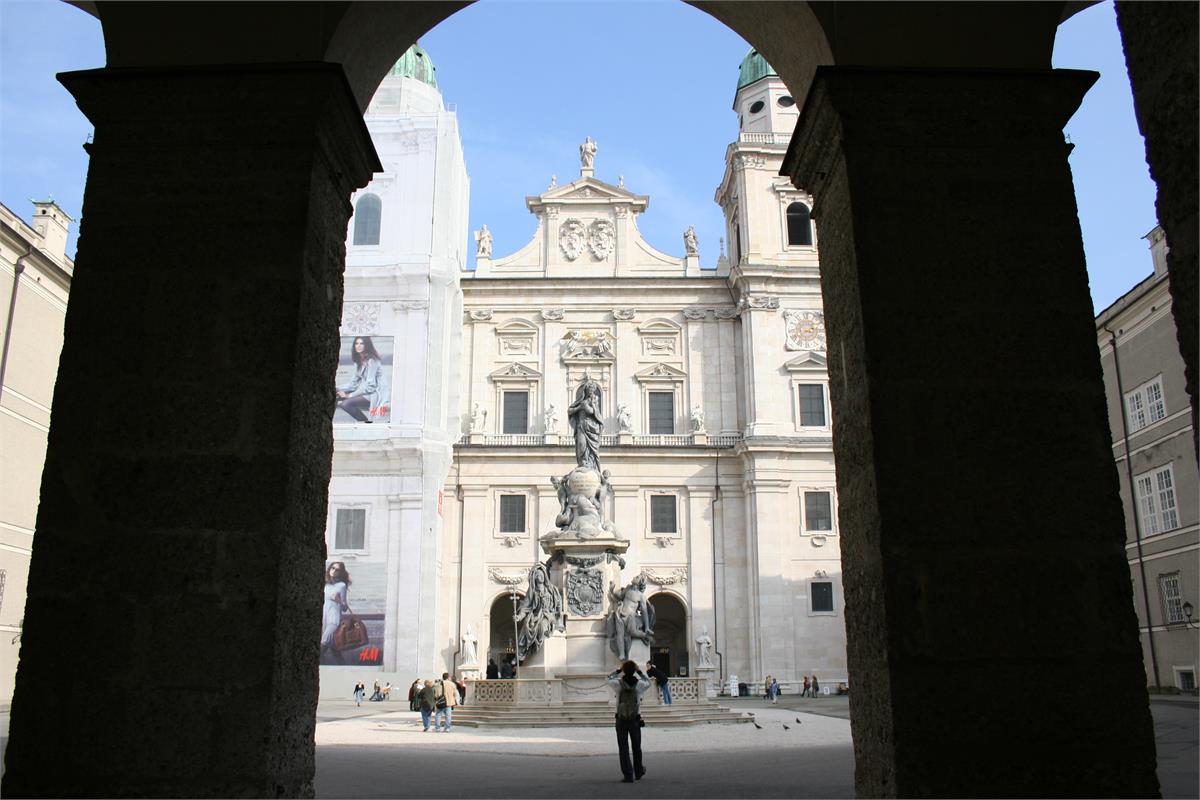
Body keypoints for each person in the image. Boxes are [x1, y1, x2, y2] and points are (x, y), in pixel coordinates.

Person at [607, 660, 651, 783]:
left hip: (621, 719)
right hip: (635, 719)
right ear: (634, 671)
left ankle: (628, 774)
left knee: (623, 748)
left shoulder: (617, 684)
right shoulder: (639, 685)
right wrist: (640, 671)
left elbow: (609, 678)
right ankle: (638, 771)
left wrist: (618, 670)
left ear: (624, 671)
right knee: (636, 747)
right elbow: (649, 682)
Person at [336, 336, 388, 423]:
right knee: (336, 395)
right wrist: (337, 388)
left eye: (361, 343)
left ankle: (364, 422)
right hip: (368, 392)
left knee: (345, 403)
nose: (358, 346)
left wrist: (349, 395)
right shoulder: (358, 362)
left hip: (376, 394)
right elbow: (353, 384)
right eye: (356, 343)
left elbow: (370, 386)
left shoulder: (372, 361)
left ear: (367, 345)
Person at [568, 374, 603, 472]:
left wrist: (588, 406)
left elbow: (594, 412)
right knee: (581, 445)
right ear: (586, 390)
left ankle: (589, 463)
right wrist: (579, 407)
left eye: (592, 390)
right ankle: (583, 462)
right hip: (581, 426)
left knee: (590, 449)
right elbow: (570, 410)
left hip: (591, 428)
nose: (591, 391)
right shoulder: (580, 401)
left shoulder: (594, 401)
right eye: (589, 389)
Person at [320, 562, 351, 665]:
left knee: (324, 641)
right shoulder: (324, 584)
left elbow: (345, 608)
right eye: (332, 568)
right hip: (324, 616)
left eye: (337, 569)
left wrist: (339, 600)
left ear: (340, 572)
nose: (333, 571)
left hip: (334, 618)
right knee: (334, 648)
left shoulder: (341, 586)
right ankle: (343, 667)